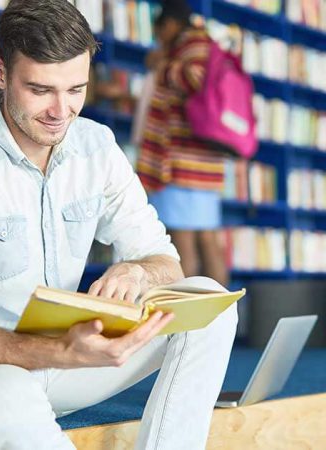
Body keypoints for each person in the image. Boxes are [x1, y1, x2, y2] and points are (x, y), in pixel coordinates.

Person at [0, 1, 237, 449]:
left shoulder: (97, 146)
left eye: (77, 89)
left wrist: (138, 271)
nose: (62, 111)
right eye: (40, 90)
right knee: (8, 391)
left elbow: (164, 260)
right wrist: (62, 351)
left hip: (67, 357)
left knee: (212, 303)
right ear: (0, 72)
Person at [136, 0, 229, 287]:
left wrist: (161, 66)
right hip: (204, 164)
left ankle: (187, 330)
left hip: (182, 163)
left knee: (182, 246)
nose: (158, 39)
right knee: (207, 241)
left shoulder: (191, 45)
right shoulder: (208, 45)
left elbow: (193, 79)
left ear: (171, 25)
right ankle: (224, 322)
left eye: (159, 32)